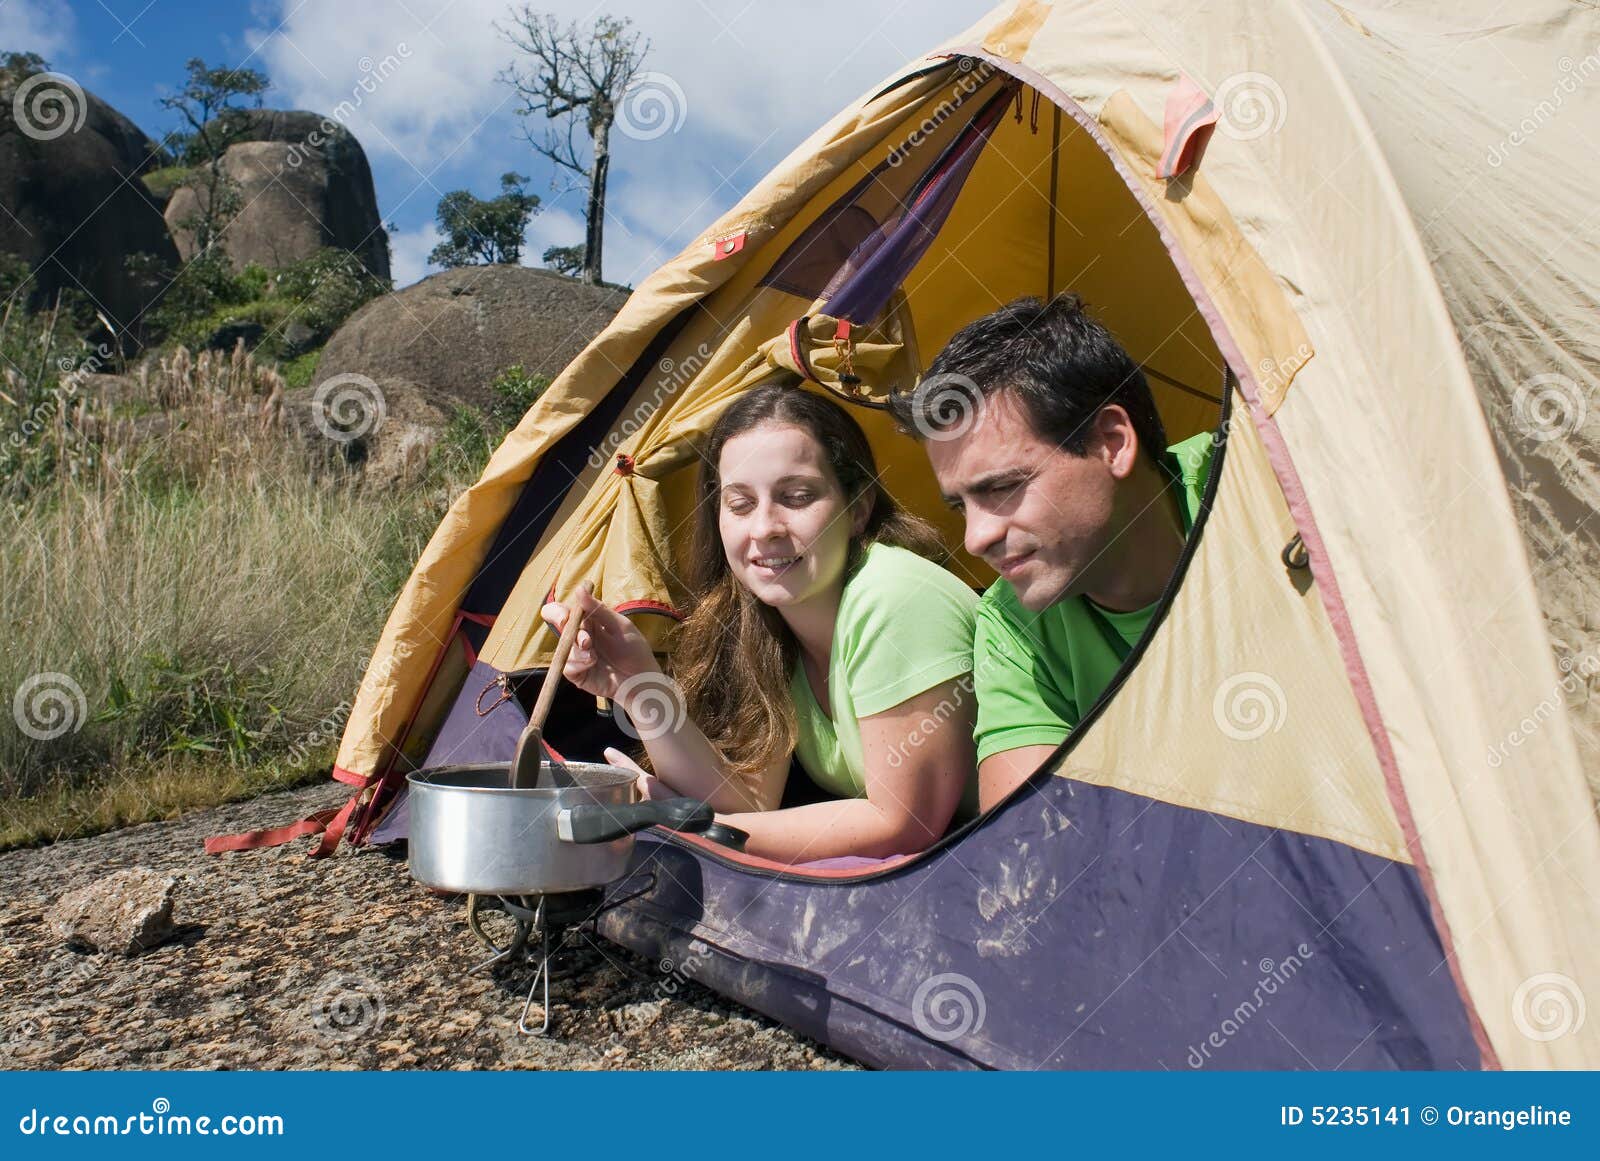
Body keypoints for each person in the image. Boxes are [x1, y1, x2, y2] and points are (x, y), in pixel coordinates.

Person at [542, 379, 979, 863]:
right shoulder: (772, 622)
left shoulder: (895, 596)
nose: (765, 528)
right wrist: (637, 684)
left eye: (796, 497)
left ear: (858, 509)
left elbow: (901, 824)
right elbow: (748, 804)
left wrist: (684, 822)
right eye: (740, 503)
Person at [887, 293, 1215, 812]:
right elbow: (1034, 846)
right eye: (960, 506)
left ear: (1112, 442)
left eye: (1001, 488)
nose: (976, 539)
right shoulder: (1011, 624)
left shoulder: (1264, 476)